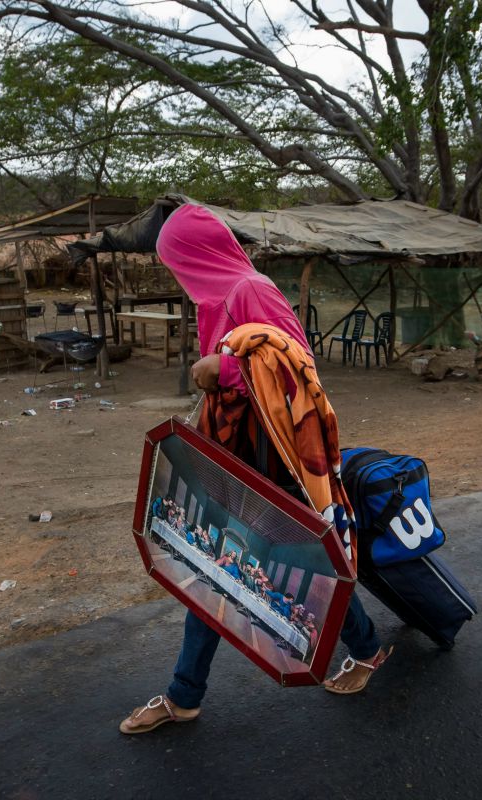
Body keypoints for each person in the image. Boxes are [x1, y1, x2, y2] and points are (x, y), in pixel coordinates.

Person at [121, 204, 391, 735]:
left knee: (284, 565)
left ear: (198, 254)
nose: (178, 275)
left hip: (277, 458)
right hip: (237, 457)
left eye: (177, 262)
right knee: (218, 566)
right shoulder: (213, 302)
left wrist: (222, 367)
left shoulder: (251, 289)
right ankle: (186, 693)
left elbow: (298, 364)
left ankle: (363, 648)